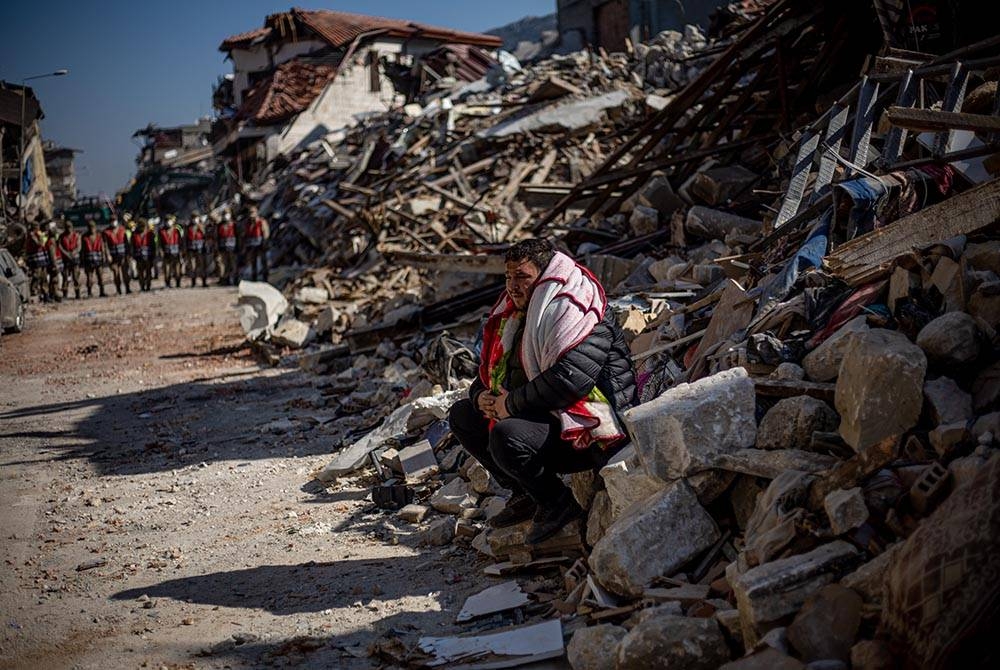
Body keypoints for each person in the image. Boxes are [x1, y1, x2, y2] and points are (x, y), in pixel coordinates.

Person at [448, 239, 638, 544]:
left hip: (592, 428)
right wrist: (481, 395)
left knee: (507, 437)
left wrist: (509, 404)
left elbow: (570, 381)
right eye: (508, 277)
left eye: (522, 277)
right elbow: (496, 371)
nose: (513, 286)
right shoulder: (516, 316)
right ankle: (524, 494)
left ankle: (557, 505)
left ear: (546, 274)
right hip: (548, 414)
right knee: (462, 415)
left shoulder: (578, 310)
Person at [103, 218, 131, 295]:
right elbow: (105, 245)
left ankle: (128, 288)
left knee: (125, 272)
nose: (113, 222)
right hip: (113, 256)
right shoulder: (106, 232)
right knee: (116, 273)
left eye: (114, 220)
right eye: (112, 221)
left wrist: (128, 254)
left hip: (123, 255)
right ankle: (118, 290)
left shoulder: (122, 229)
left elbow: (127, 243)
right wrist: (107, 255)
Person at [242, 205, 270, 282]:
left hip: (260, 244)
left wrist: (265, 242)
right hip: (251, 244)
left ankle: (265, 278)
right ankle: (254, 277)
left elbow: (265, 232)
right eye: (250, 212)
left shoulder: (261, 221)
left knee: (263, 261)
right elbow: (245, 233)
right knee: (253, 261)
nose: (251, 214)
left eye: (253, 212)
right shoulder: (248, 223)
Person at [24, 220, 50, 301]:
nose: (38, 228)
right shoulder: (32, 235)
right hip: (35, 260)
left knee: (44, 277)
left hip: (42, 259)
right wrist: (42, 236)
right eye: (37, 227)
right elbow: (40, 244)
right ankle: (33, 293)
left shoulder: (38, 234)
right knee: (36, 276)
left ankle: (45, 294)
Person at [81, 220, 107, 297]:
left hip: (98, 259)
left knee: (100, 276)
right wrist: (82, 260)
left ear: (95, 227)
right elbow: (83, 250)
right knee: (89, 277)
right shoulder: (84, 237)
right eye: (90, 227)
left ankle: (102, 291)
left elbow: (102, 247)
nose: (91, 228)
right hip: (88, 260)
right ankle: (89, 292)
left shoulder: (99, 236)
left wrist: (104, 256)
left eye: (92, 227)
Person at [57, 219, 82, 300]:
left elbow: (79, 246)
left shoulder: (76, 235)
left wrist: (73, 253)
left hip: (75, 259)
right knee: (65, 277)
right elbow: (60, 246)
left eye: (70, 227)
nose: (69, 229)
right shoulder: (62, 236)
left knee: (76, 277)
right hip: (66, 260)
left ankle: (77, 293)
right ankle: (65, 294)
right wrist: (66, 254)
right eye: (67, 227)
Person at [185, 215, 210, 287]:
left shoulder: (202, 226)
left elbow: (206, 235)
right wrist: (185, 249)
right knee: (193, 266)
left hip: (201, 249)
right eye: (193, 218)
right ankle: (193, 282)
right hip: (191, 249)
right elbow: (185, 238)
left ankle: (204, 282)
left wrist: (200, 227)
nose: (194, 219)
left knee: (202, 265)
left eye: (196, 218)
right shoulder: (188, 227)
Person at [131, 219, 155, 292]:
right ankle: (142, 286)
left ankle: (148, 286)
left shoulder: (150, 234)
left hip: (148, 256)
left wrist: (153, 255)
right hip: (138, 257)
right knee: (140, 273)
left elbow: (153, 245)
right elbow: (132, 246)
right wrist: (132, 256)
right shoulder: (134, 234)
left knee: (148, 272)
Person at [159, 216, 182, 288]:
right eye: (167, 221)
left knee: (177, 269)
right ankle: (167, 283)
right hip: (166, 253)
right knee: (167, 269)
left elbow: (181, 241)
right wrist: (161, 252)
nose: (168, 222)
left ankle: (178, 283)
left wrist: (181, 251)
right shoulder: (161, 231)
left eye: (170, 220)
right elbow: (159, 243)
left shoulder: (177, 230)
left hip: (176, 252)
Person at [216, 210, 238, 285]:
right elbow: (217, 237)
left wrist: (239, 246)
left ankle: (235, 279)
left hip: (232, 247)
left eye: (227, 214)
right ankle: (224, 279)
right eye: (224, 214)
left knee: (233, 264)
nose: (226, 216)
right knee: (223, 264)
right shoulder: (220, 225)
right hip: (222, 247)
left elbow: (238, 236)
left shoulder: (234, 224)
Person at [43, 224, 64, 302]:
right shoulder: (51, 241)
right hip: (54, 264)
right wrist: (55, 265)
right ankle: (55, 296)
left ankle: (53, 295)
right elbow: (52, 255)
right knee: (55, 280)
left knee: (54, 280)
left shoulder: (52, 240)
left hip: (54, 263)